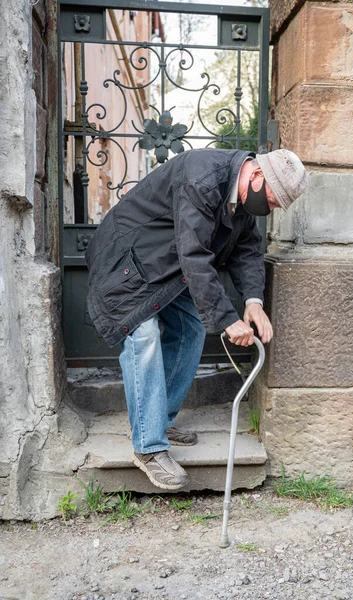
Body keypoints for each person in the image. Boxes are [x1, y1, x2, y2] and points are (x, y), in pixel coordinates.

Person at [85, 148, 308, 491]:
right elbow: (194, 254)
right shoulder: (201, 176)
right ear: (258, 177)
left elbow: (247, 248)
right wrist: (227, 319)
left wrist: (253, 301)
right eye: (275, 201)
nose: (273, 209)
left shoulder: (244, 199)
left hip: (163, 266)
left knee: (190, 329)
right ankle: (148, 447)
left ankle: (158, 418)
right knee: (142, 337)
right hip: (125, 259)